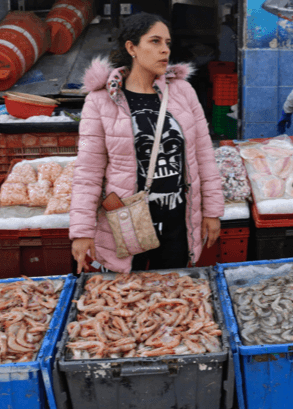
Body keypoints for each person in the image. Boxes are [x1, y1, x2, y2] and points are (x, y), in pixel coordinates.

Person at [70, 13, 224, 274]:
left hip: (178, 220)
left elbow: (204, 156)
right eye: (154, 41)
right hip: (128, 223)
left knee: (174, 292)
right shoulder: (101, 101)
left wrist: (212, 212)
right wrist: (82, 231)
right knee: (127, 299)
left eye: (167, 42)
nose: (164, 49)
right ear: (132, 48)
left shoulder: (183, 92)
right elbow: (88, 172)